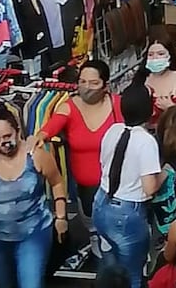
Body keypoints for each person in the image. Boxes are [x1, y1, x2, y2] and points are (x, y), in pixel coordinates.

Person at [0, 106, 65, 288]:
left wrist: (61, 216)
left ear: (18, 133)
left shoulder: (36, 156)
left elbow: (57, 181)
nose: (3, 142)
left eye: (7, 136)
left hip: (34, 233)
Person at [29, 60, 121, 259]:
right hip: (86, 187)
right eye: (82, 82)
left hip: (118, 184)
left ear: (105, 85)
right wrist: (38, 137)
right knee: (93, 226)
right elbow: (50, 126)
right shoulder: (68, 107)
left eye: (93, 83)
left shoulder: (117, 105)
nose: (87, 88)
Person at [92, 84, 163, 288]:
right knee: (131, 276)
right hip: (127, 213)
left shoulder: (113, 130)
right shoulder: (146, 142)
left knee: (108, 269)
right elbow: (150, 188)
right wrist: (164, 173)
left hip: (101, 202)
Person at [141, 41, 176, 125]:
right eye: (151, 54)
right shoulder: (142, 79)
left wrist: (170, 107)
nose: (155, 58)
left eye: (160, 54)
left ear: (169, 56)